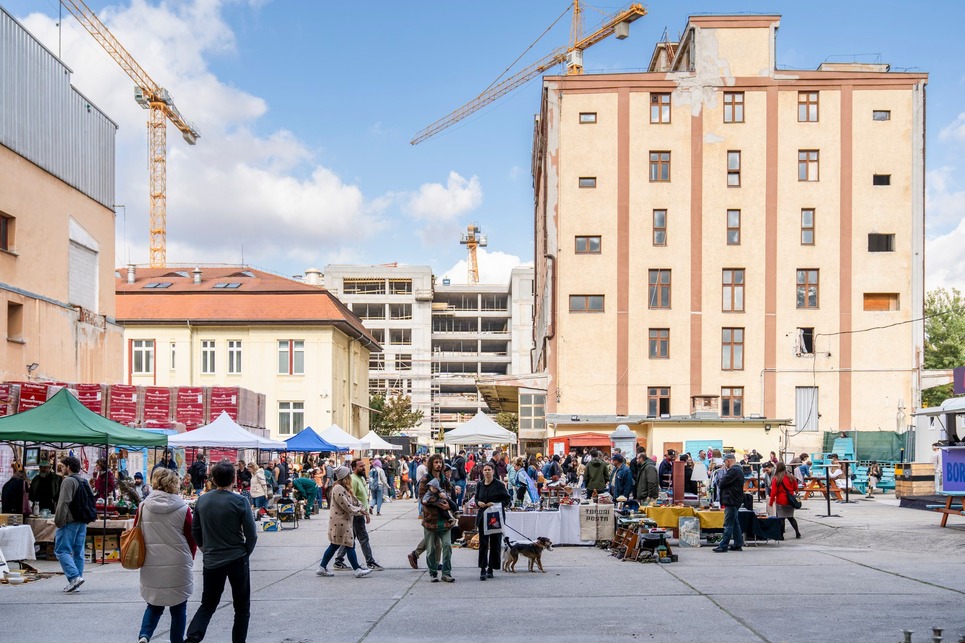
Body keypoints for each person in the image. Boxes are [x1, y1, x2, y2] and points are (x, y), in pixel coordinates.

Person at [184, 462, 257, 643]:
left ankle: (193, 637)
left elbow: (195, 530)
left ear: (213, 479)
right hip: (236, 558)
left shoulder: (202, 500)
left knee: (208, 604)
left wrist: (204, 548)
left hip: (212, 559)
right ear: (233, 479)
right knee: (241, 607)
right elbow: (251, 534)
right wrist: (245, 552)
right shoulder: (240, 501)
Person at [137, 468, 197, 643]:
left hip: (151, 561)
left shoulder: (143, 507)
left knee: (154, 604)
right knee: (179, 607)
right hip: (178, 562)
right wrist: (190, 557)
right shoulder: (183, 508)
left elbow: (137, 533)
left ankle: (145, 635)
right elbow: (191, 537)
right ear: (173, 484)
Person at [316, 466, 373, 578]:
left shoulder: (344, 488)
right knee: (349, 544)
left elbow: (355, 501)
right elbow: (347, 506)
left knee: (335, 545)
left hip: (343, 521)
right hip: (340, 522)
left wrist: (362, 509)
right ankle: (356, 569)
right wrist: (361, 511)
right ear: (345, 476)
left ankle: (322, 567)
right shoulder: (338, 489)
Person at [333, 459, 383, 571]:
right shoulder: (353, 480)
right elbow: (351, 498)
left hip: (360, 512)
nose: (363, 468)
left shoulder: (361, 478)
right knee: (363, 538)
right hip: (356, 514)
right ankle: (370, 562)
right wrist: (360, 511)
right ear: (354, 468)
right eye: (360, 466)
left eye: (363, 465)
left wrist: (367, 509)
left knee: (351, 538)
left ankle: (338, 560)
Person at [54, 456, 92, 592]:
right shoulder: (83, 480)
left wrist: (58, 520)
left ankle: (74, 577)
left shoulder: (68, 481)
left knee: (61, 550)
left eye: (63, 466)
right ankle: (77, 580)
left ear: (68, 467)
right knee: (78, 551)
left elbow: (64, 502)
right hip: (82, 521)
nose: (62, 469)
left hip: (69, 521)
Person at [419, 453, 456, 582]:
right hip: (431, 519)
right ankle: (433, 572)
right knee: (431, 550)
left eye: (440, 462)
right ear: (431, 464)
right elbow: (422, 498)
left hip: (445, 520)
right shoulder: (425, 479)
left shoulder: (444, 479)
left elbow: (449, 494)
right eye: (436, 462)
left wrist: (449, 505)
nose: (438, 464)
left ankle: (446, 572)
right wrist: (438, 503)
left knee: (447, 546)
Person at [474, 462, 510, 580]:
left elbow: (507, 500)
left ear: (493, 471)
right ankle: (483, 568)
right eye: (485, 470)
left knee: (495, 544)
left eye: (489, 469)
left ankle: (491, 568)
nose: (487, 472)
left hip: (495, 517)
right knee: (483, 544)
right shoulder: (480, 484)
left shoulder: (499, 485)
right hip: (483, 517)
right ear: (482, 472)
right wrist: (478, 502)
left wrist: (494, 504)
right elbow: (476, 498)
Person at [713, 453, 746, 553]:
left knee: (728, 524)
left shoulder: (733, 470)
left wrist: (720, 478)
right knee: (735, 523)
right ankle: (738, 544)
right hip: (734, 499)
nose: (724, 464)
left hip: (731, 500)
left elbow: (721, 483)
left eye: (725, 462)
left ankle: (723, 545)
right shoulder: (738, 470)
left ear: (728, 461)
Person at [768, 462, 801, 539]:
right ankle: (797, 532)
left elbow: (773, 492)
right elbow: (796, 488)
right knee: (791, 517)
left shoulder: (776, 478)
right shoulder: (791, 477)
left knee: (781, 518)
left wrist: (771, 501)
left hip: (781, 500)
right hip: (790, 500)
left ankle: (781, 535)